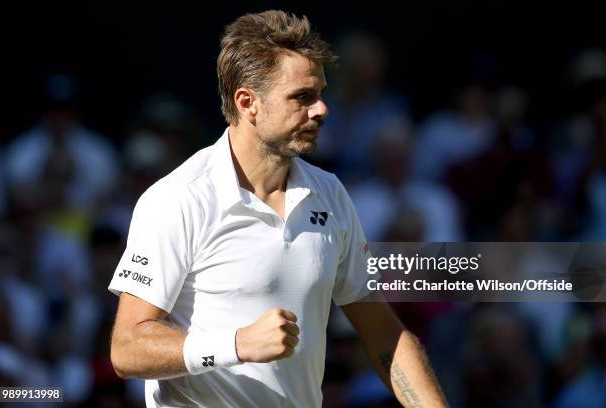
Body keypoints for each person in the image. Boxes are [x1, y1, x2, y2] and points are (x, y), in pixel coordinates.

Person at [108, 10, 448, 408]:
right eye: (302, 97)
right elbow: (127, 348)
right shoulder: (179, 198)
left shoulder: (331, 194)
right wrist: (236, 344)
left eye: (320, 93)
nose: (321, 109)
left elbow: (383, 336)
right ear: (248, 102)